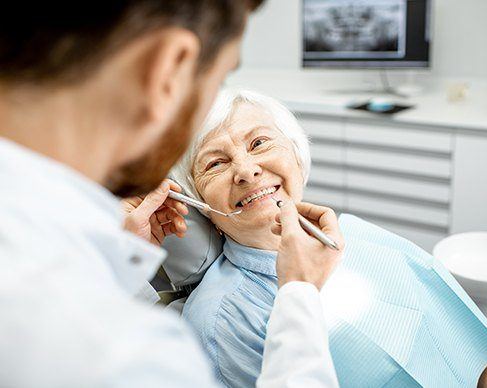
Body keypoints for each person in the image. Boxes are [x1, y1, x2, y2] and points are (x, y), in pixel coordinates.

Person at [0, 2, 344, 387]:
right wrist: (298, 294)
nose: (246, 170)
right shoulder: (133, 353)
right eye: (221, 78)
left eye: (260, 142)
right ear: (169, 68)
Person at [171, 89, 487, 387]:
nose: (246, 170)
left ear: (296, 153)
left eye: (260, 142)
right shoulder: (222, 320)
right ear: (199, 203)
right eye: (215, 164)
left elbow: (481, 359)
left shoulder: (366, 238)